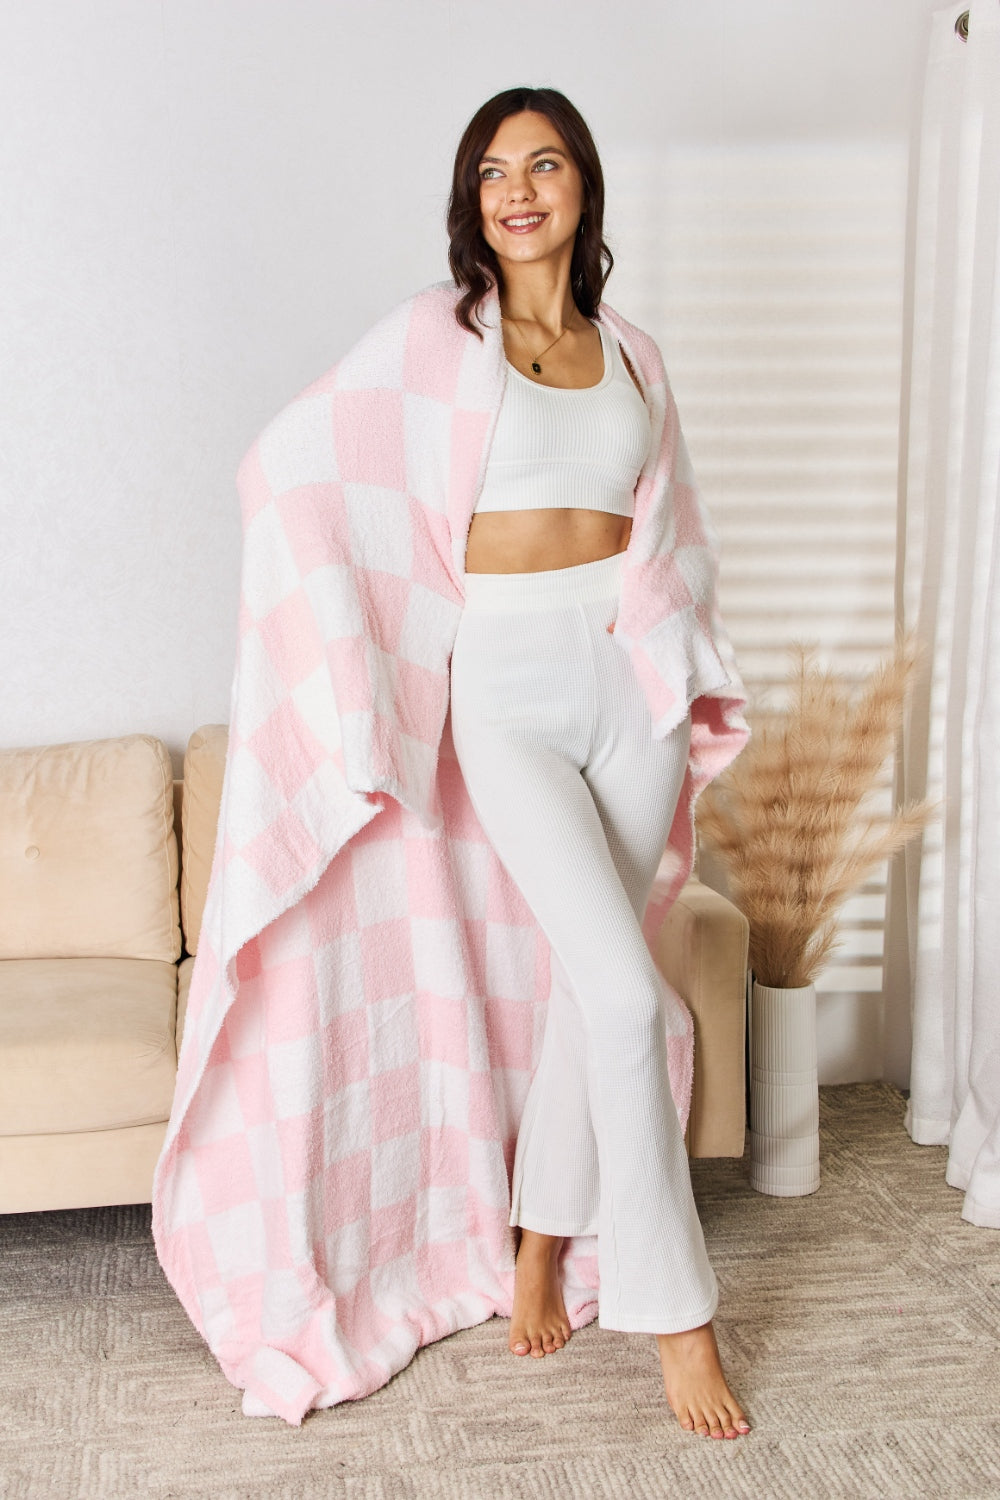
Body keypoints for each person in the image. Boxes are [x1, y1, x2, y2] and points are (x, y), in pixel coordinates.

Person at [443, 86, 751, 1441]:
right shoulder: (438, 347)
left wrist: (677, 677)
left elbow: (668, 535)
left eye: (545, 163)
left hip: (628, 691)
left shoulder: (634, 352)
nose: (521, 190)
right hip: (504, 687)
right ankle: (680, 1318)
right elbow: (315, 480)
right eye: (496, 171)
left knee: (594, 987)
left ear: (582, 189)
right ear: (474, 203)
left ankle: (541, 1238)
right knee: (632, 1002)